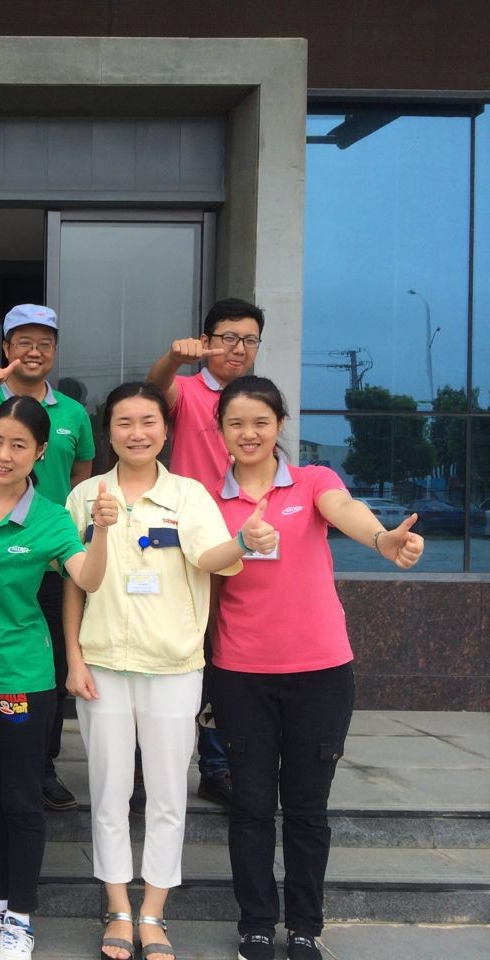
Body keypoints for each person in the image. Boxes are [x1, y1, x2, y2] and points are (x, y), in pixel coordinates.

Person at [209, 376, 424, 960]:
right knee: (251, 806)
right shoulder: (209, 499)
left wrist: (381, 540)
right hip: (241, 673)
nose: (249, 433)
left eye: (261, 422)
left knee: (307, 809)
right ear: (220, 430)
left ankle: (305, 926)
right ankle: (256, 924)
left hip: (321, 673)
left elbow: (345, 510)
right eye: (236, 423)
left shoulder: (313, 481)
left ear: (279, 425)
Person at [62, 382, 272, 960]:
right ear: (108, 432)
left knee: (167, 794)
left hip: (174, 665)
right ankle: (117, 907)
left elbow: (209, 557)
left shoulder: (189, 495)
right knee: (109, 791)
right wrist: (74, 658)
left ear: (165, 429)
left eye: (148, 422)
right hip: (103, 664)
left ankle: (153, 912)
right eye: (124, 423)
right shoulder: (85, 496)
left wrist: (243, 542)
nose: (137, 433)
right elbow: (75, 583)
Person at [0, 396, 112, 960]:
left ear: (40, 452)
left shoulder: (51, 517)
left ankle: (21, 918)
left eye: (18, 445)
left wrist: (103, 533)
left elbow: (89, 578)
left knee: (22, 798)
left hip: (21, 677)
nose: (3, 455)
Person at [0, 304, 95, 811]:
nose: (34, 352)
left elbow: (80, 476)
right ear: (7, 348)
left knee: (47, 666)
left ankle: (43, 765)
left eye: (45, 344)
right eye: (24, 343)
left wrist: (61, 530)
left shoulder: (73, 412)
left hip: (51, 556)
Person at [147, 297, 267, 807]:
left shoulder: (257, 399)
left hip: (245, 538)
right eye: (228, 338)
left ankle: (218, 765)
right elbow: (154, 391)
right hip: (186, 541)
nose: (238, 349)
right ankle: (153, 767)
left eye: (249, 340)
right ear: (206, 341)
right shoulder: (189, 390)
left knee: (225, 654)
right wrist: (174, 359)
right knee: (179, 645)